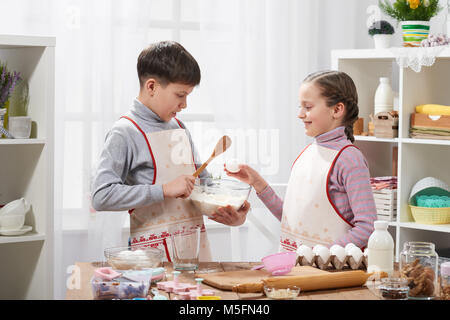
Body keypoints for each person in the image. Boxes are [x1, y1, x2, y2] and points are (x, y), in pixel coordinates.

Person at [91, 41, 250, 261]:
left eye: (188, 96)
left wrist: (228, 215)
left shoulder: (180, 128)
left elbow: (202, 189)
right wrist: (163, 189)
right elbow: (101, 196)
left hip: (195, 253)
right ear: (152, 87)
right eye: (180, 95)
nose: (185, 104)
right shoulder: (124, 132)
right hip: (152, 260)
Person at [225, 70, 377, 250]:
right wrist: (257, 183)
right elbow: (292, 219)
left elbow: (368, 228)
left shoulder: (350, 159)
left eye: (308, 107)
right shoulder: (308, 153)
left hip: (328, 273)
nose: (300, 114)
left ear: (337, 110)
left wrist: (321, 254)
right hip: (297, 269)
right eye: (300, 106)